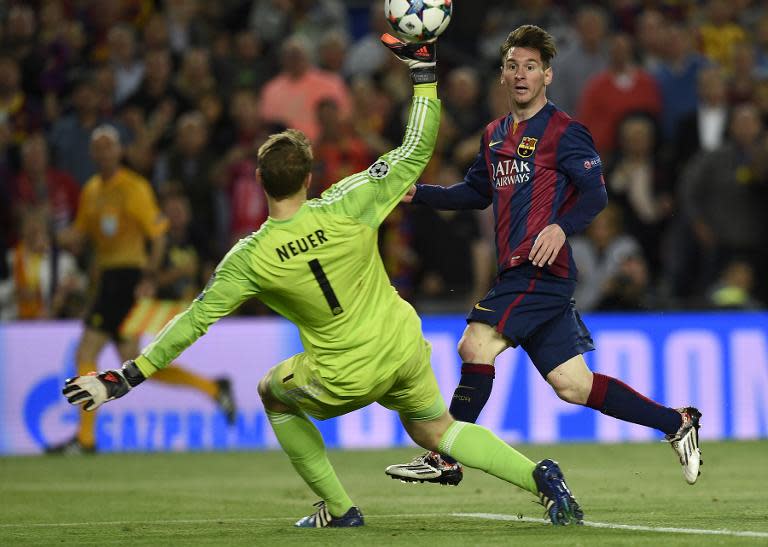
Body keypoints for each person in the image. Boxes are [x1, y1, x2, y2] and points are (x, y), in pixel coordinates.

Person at [61, 35, 585, 527]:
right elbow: (417, 146)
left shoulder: (249, 258)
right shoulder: (351, 201)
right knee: (438, 430)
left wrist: (122, 377)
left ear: (261, 181)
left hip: (345, 374)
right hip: (403, 345)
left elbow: (193, 322)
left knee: (272, 391)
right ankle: (536, 476)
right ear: (309, 176)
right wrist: (423, 74)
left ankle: (338, 507)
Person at [384, 25, 702, 488]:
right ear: (501, 75)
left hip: (539, 271)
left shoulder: (565, 132)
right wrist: (418, 193)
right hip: (526, 276)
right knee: (574, 385)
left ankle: (443, 456)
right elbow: (475, 193)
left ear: (547, 75)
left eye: (530, 67)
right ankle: (677, 422)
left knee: (475, 343)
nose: (520, 75)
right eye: (512, 66)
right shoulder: (493, 134)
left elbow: (595, 195)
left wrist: (560, 225)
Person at [49, 125, 236, 454]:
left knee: (87, 353)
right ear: (93, 154)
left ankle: (85, 439)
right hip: (108, 279)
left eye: (109, 147)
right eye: (98, 148)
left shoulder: (133, 187)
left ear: (119, 151)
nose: (103, 153)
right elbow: (82, 235)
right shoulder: (91, 190)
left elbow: (159, 233)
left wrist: (149, 274)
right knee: (133, 362)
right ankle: (212, 387)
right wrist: (59, 235)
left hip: (127, 276)